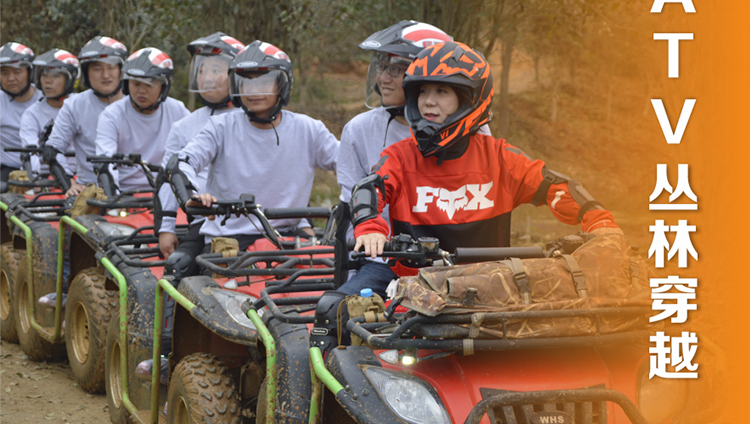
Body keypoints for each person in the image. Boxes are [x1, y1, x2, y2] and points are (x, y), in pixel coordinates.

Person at [351, 41, 621, 295]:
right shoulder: (399, 156)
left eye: (441, 91)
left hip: (490, 293)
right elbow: (370, 188)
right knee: (333, 311)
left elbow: (555, 187)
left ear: (469, 101)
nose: (428, 101)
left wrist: (599, 222)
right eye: (422, 91)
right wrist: (371, 227)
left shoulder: (500, 157)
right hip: (412, 291)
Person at [336, 21, 489, 295]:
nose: (384, 78)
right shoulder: (359, 130)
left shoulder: (472, 129)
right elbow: (352, 210)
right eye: (382, 66)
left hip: (459, 261)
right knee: (337, 312)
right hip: (386, 260)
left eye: (397, 69)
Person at [171, 40, 339, 252]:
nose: (253, 91)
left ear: (282, 85)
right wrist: (193, 195)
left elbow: (349, 163)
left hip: (285, 237)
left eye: (263, 82)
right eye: (246, 82)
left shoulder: (309, 129)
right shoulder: (220, 127)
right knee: (192, 275)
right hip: (228, 239)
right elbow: (182, 162)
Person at [157, 32, 244, 268]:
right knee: (177, 267)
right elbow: (167, 179)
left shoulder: (251, 121)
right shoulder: (184, 125)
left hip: (250, 218)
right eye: (202, 70)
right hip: (203, 221)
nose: (206, 78)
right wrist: (165, 228)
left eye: (216, 70)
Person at [95, 47, 189, 192]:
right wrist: (112, 195)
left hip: (168, 193)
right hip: (124, 194)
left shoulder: (178, 111)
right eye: (136, 84)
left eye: (149, 85)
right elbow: (105, 161)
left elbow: (195, 155)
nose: (141, 91)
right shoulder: (111, 115)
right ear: (126, 84)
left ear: (164, 86)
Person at [44, 36, 128, 197]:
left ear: (121, 70)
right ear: (86, 73)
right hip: (91, 190)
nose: (105, 75)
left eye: (111, 67)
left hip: (138, 189)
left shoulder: (137, 104)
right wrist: (69, 182)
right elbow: (53, 149)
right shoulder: (74, 105)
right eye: (97, 68)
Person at [19, 48, 80, 177]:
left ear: (70, 79)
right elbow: (30, 151)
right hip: (45, 176)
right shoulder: (32, 113)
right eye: (44, 75)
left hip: (82, 176)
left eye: (56, 75)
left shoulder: (82, 106)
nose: (48, 81)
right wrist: (34, 180)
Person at [0, 42, 42, 191]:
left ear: (29, 73)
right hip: (7, 171)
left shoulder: (47, 100)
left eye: (17, 72)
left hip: (47, 171)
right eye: (4, 73)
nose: (10, 78)